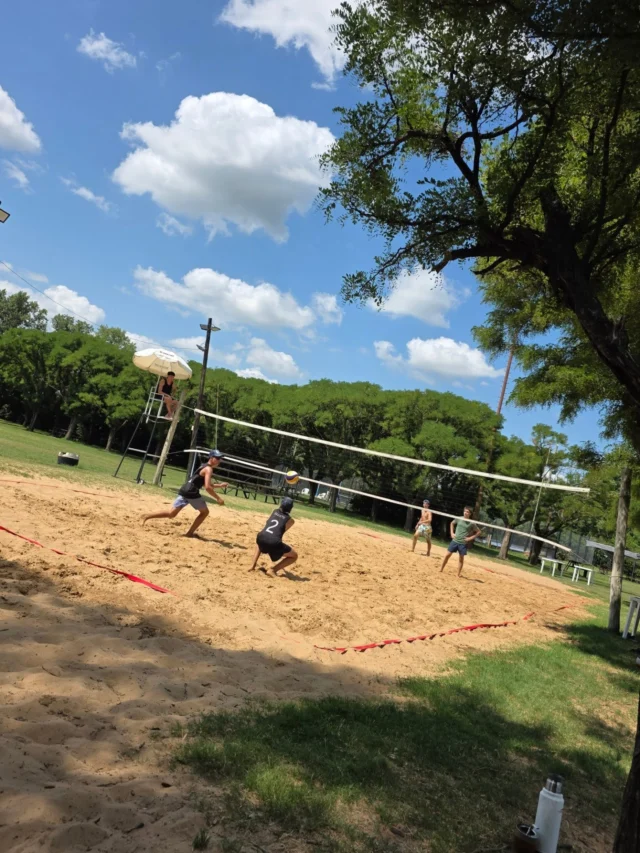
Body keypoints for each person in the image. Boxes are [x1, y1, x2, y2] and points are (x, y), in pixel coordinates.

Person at [141, 450, 228, 538]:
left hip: (185, 489)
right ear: (212, 458)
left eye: (220, 458)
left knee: (171, 514)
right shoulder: (209, 469)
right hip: (192, 492)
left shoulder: (204, 466)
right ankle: (189, 533)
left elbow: (209, 485)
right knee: (205, 512)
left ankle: (147, 516)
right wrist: (218, 498)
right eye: (217, 458)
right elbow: (208, 488)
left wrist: (220, 485)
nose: (219, 460)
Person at [249, 496, 298, 577]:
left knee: (261, 540)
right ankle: (273, 570)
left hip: (260, 537)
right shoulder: (291, 521)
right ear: (290, 508)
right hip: (273, 542)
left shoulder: (273, 511)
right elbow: (281, 531)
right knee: (294, 556)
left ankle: (252, 565)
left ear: (281, 505)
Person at [439, 506, 483, 577]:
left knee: (461, 558)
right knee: (447, 555)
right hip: (455, 541)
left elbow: (479, 532)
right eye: (465, 511)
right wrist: (452, 533)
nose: (466, 513)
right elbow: (452, 523)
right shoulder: (459, 518)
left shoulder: (471, 523)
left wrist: (470, 538)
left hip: (463, 543)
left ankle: (458, 574)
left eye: (467, 512)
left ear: (470, 514)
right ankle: (441, 569)